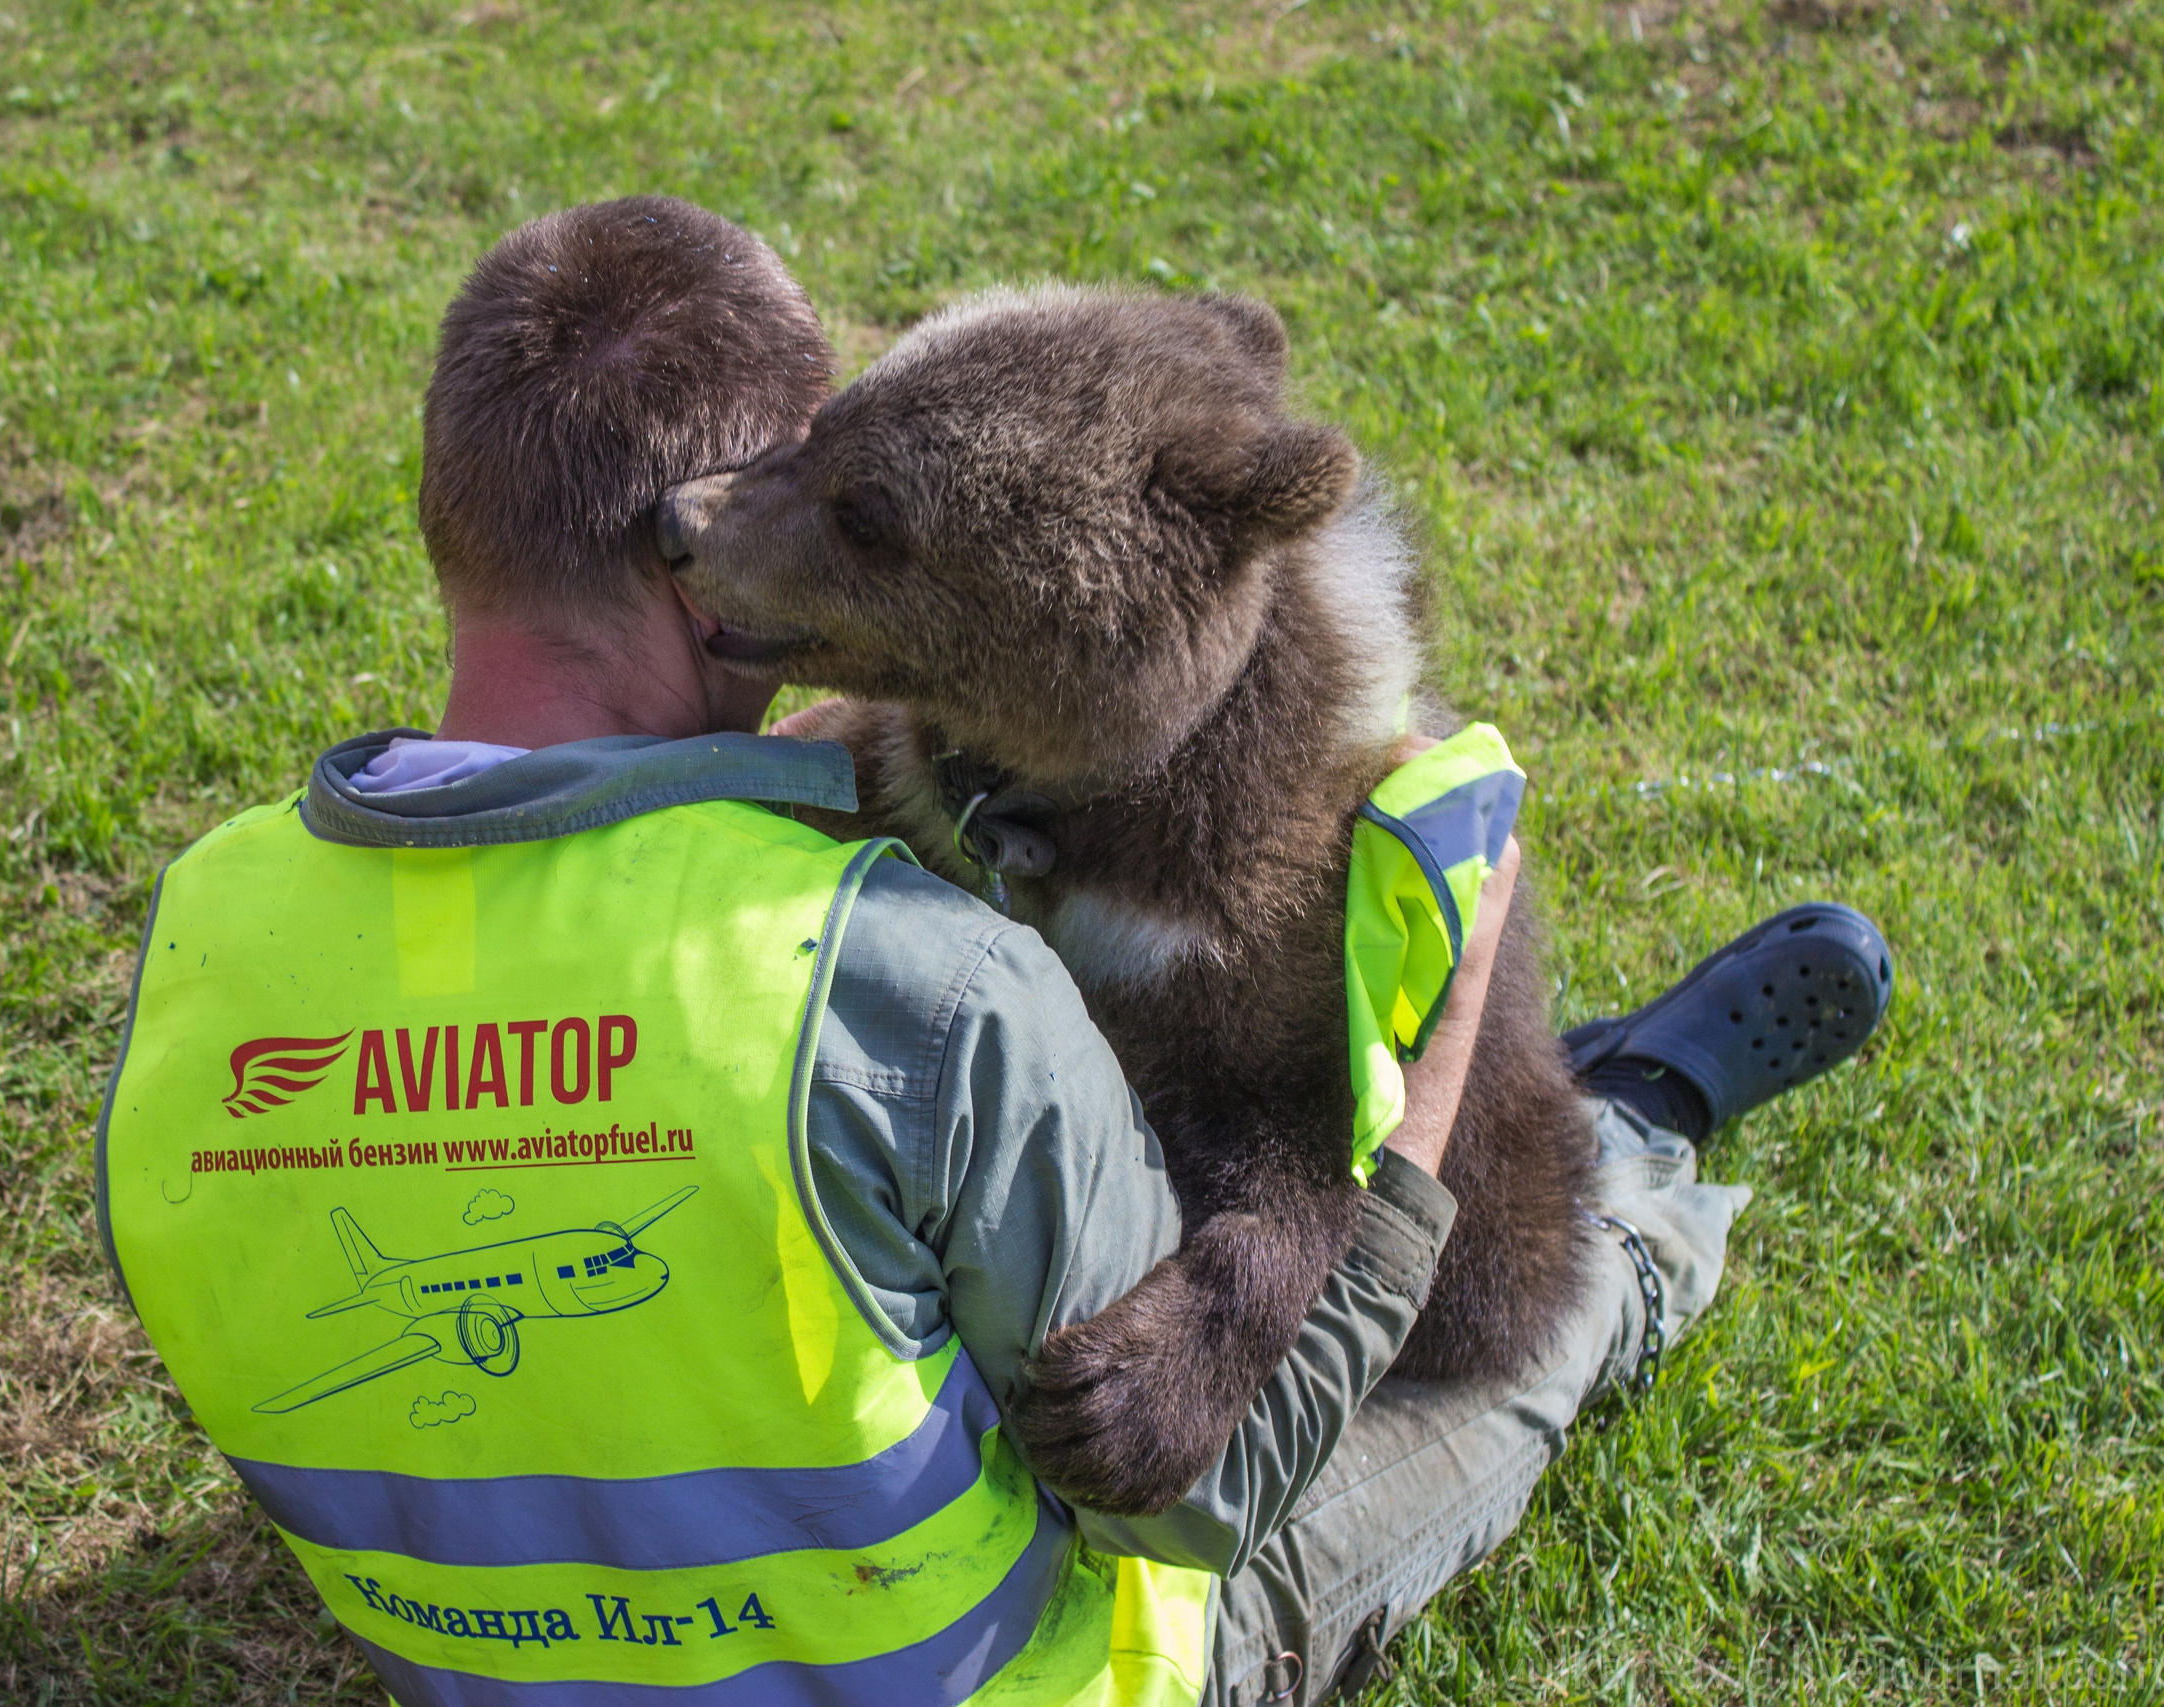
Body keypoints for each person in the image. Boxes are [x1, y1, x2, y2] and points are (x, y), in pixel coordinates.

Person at [94, 197, 1894, 1705]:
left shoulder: (204, 945)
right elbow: (1192, 1500)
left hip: (487, 1640)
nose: (743, 528)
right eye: (784, 479)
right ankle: (1650, 1144)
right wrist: (1406, 1159)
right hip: (1027, 1647)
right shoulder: (902, 991)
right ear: (668, 565)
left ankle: (1608, 1116)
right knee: (1534, 1312)